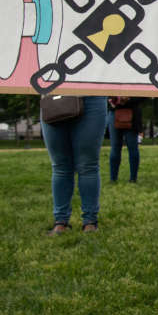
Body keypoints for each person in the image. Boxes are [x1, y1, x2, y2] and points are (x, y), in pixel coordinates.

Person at [42, 96, 107, 234]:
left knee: (87, 165)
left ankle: (90, 222)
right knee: (60, 166)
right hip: (53, 97)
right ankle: (60, 222)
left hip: (91, 97)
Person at [105, 96, 144, 183]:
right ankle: (113, 178)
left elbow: (143, 96)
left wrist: (128, 98)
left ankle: (133, 178)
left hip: (132, 115)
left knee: (132, 147)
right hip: (114, 113)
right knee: (115, 147)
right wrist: (112, 99)